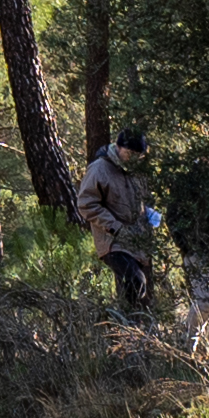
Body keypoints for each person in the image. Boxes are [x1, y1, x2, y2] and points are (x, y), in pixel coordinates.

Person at [83, 128, 165, 315]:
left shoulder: (138, 172)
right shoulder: (99, 169)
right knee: (136, 280)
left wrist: (150, 215)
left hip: (136, 240)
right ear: (118, 147)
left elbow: (144, 200)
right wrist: (114, 227)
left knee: (138, 289)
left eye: (139, 155)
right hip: (112, 241)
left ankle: (123, 325)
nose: (134, 158)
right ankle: (121, 322)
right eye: (130, 153)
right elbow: (86, 204)